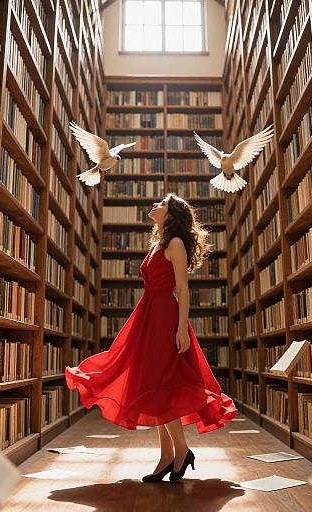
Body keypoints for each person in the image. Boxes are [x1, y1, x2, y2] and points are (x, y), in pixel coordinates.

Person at [65, 193, 237, 483]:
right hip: (149, 315)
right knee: (152, 384)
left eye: (162, 204)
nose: (155, 206)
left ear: (171, 215)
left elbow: (182, 290)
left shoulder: (176, 244)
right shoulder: (158, 243)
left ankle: (181, 451)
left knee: (159, 385)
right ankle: (167, 456)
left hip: (165, 319)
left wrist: (181, 328)